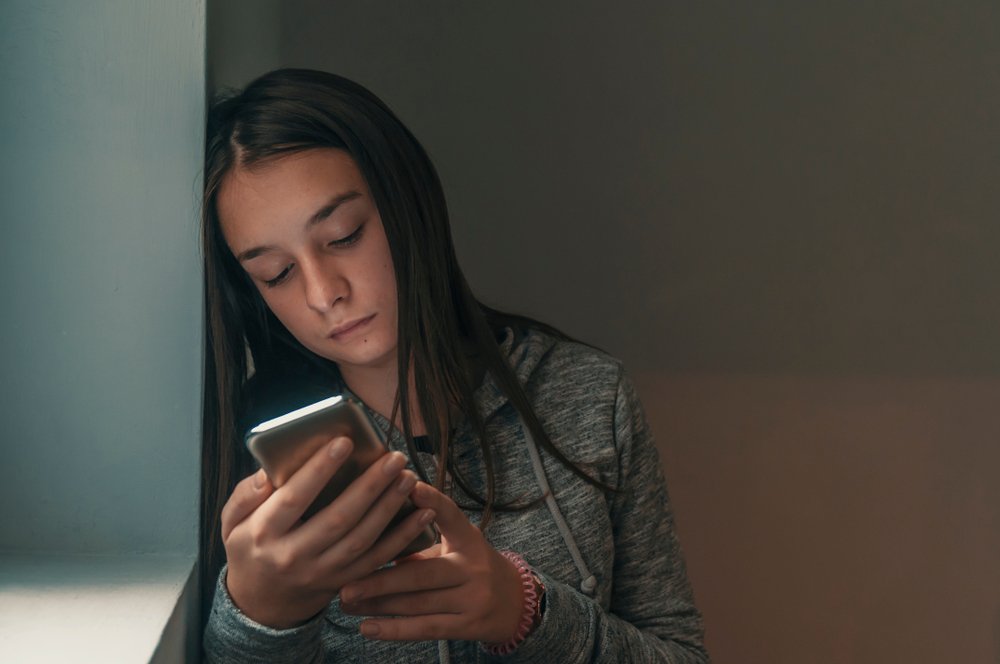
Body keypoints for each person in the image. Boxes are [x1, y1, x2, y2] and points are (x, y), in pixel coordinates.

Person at [199, 68, 708, 663]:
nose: (321, 293)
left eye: (343, 235)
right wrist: (261, 616)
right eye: (276, 274)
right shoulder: (254, 458)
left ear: (407, 201)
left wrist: (524, 612)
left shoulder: (589, 397)